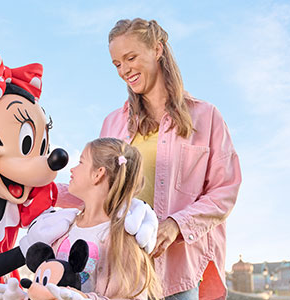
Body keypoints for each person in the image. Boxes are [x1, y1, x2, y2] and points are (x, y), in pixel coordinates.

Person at [100, 18, 242, 300]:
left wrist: (177, 225)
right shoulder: (112, 124)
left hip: (180, 271)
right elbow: (97, 190)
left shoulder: (206, 117)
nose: (124, 70)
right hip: (122, 272)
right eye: (117, 64)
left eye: (131, 57)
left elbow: (225, 190)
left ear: (157, 50)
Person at [0, 137, 161, 300]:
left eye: (81, 162)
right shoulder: (64, 229)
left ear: (98, 174)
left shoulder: (122, 238)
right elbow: (48, 287)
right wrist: (23, 296)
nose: (72, 169)